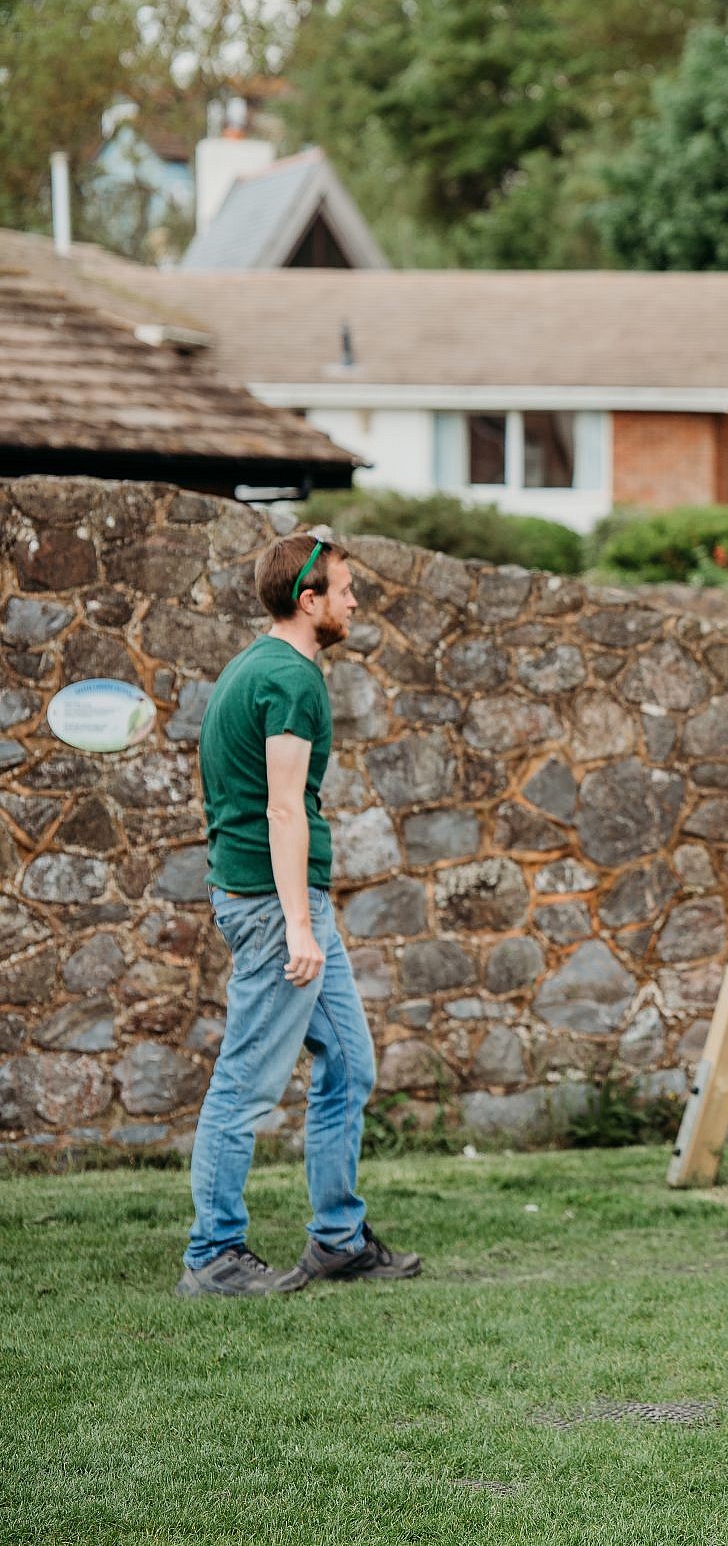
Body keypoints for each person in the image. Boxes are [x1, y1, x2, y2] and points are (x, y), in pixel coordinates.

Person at [178, 530, 420, 1299]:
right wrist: (301, 928)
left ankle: (338, 1240)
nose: (354, 601)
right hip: (276, 905)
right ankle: (212, 1253)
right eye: (344, 589)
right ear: (307, 599)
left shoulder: (257, 666)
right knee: (247, 1080)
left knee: (350, 1064)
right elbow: (284, 808)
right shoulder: (291, 680)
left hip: (278, 898)